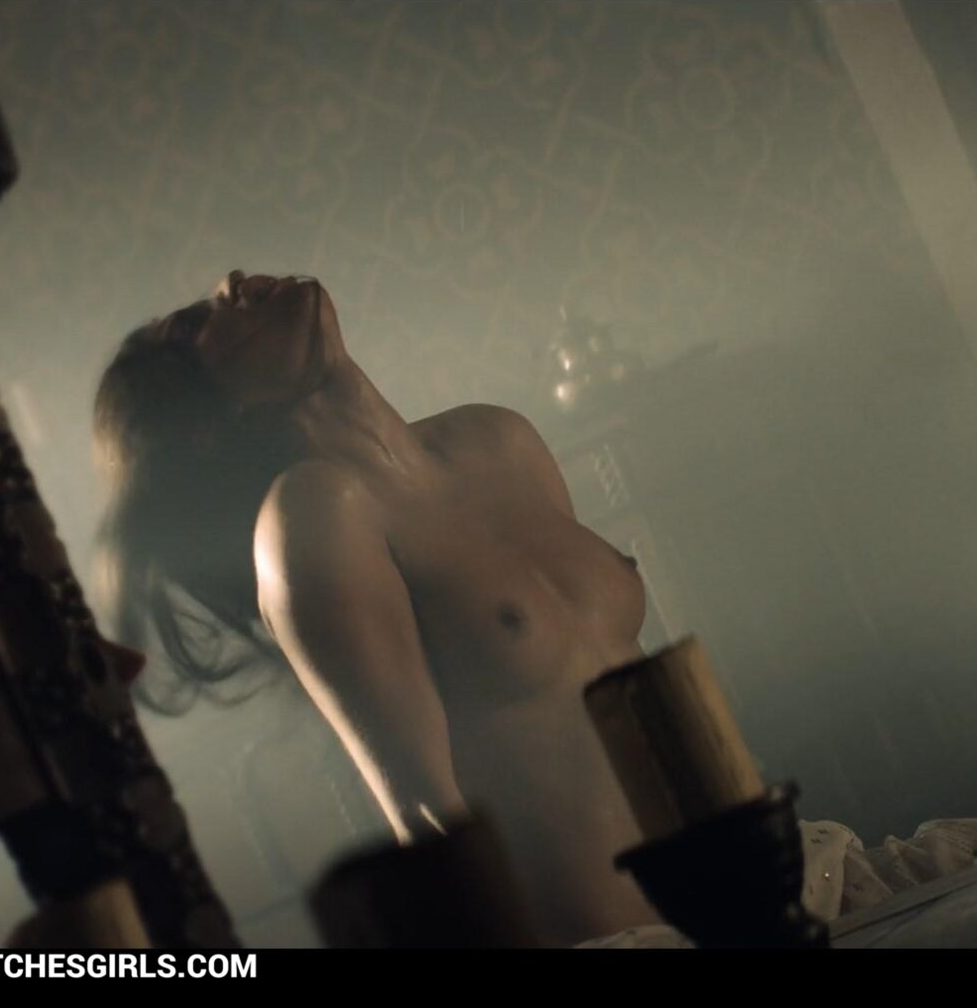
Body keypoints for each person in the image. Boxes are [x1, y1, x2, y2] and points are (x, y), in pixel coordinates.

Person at [94, 271, 659, 945]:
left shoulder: (497, 439)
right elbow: (424, 813)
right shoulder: (316, 514)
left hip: (726, 878)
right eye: (193, 326)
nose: (230, 281)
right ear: (211, 421)